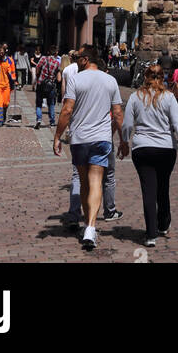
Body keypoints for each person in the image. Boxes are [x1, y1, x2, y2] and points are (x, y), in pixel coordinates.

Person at [54, 46, 123, 253]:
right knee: (96, 183)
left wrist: (57, 135)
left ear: (86, 60)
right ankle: (91, 227)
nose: (75, 61)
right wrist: (123, 139)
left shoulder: (76, 79)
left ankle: (88, 226)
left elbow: (67, 109)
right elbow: (118, 112)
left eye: (77, 58)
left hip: (80, 138)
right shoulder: (110, 80)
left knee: (84, 183)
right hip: (102, 138)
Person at [120, 62, 178, 246]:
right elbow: (177, 122)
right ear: (163, 78)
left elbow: (127, 124)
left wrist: (124, 142)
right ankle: (164, 223)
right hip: (166, 149)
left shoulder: (136, 97)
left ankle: (151, 234)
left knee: (148, 191)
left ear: (145, 77)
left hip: (143, 149)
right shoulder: (169, 97)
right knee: (163, 186)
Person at [34, 47, 60, 128]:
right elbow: (59, 78)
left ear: (49, 52)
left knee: (39, 104)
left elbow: (37, 68)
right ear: (56, 53)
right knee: (51, 104)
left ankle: (39, 119)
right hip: (50, 85)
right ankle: (52, 121)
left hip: (41, 83)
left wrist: (38, 77)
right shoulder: (57, 63)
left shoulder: (43, 59)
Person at [0, 45, 16, 126]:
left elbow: (13, 72)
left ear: (5, 51)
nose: (1, 52)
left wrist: (14, 81)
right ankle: (0, 120)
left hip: (7, 85)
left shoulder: (10, 60)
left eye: (2, 51)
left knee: (5, 103)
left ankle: (3, 115)